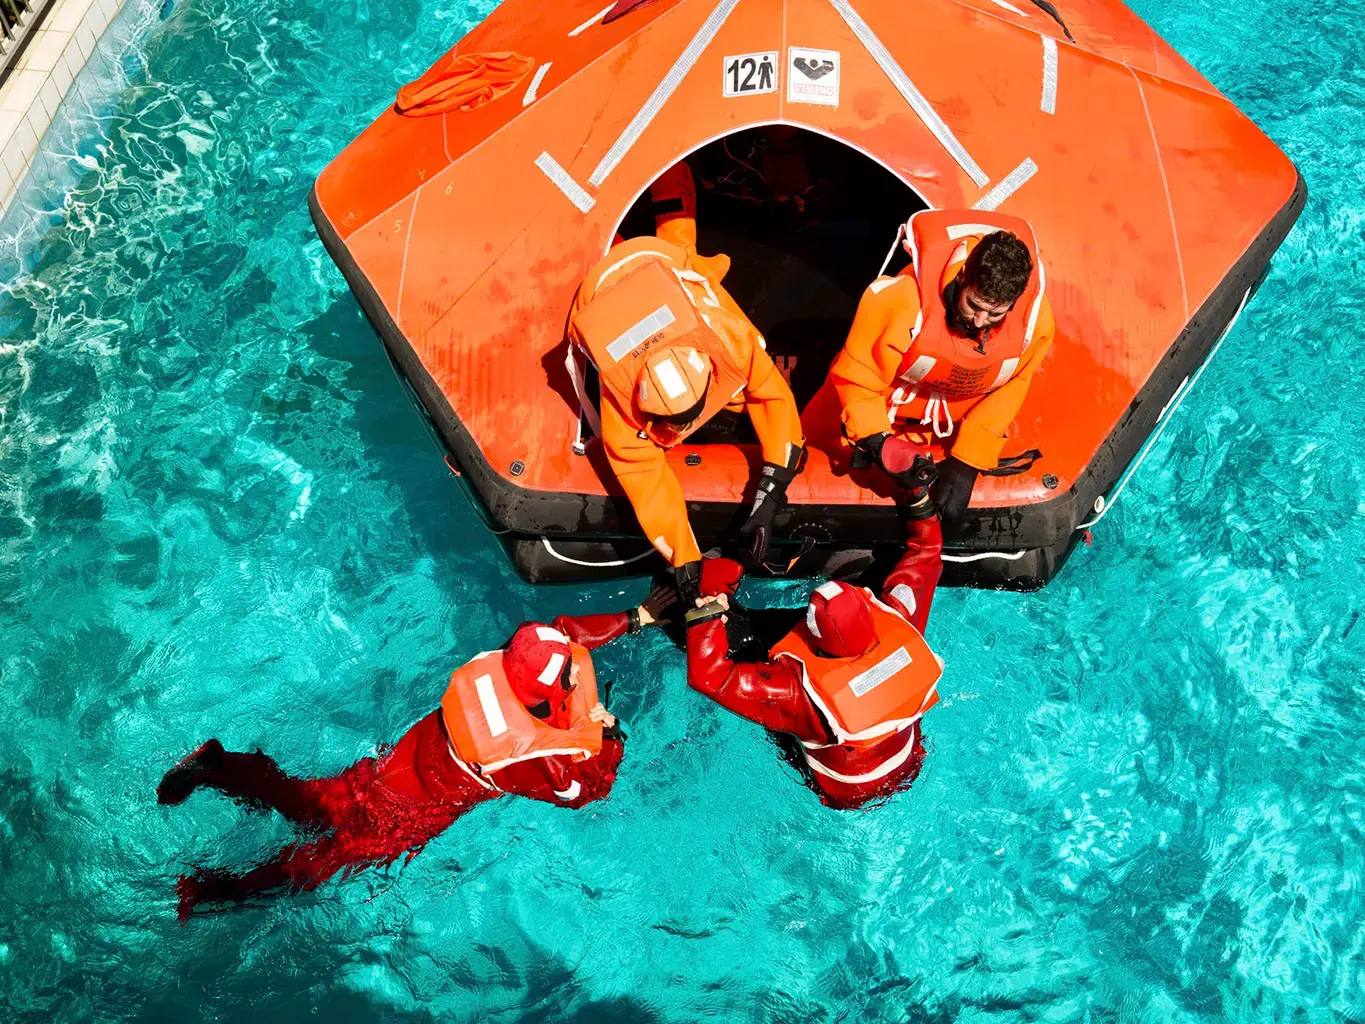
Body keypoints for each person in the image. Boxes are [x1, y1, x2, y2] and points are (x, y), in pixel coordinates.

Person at [157, 587, 674, 921]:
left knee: (308, 800)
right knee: (314, 865)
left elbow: (564, 631)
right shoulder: (527, 757)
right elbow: (586, 792)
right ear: (544, 693)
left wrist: (639, 615)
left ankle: (220, 767)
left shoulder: (499, 664)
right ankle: (212, 892)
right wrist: (612, 738)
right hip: (403, 818)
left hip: (383, 772)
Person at [568, 212, 806, 603]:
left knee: (753, 375)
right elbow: (645, 479)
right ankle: (613, 235)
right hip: (602, 288)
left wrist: (772, 490)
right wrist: (685, 557)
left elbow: (774, 397)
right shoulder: (621, 406)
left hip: (663, 260)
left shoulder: (732, 341)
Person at [684, 455, 943, 808]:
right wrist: (918, 496)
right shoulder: (901, 618)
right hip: (910, 765)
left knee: (742, 642)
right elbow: (926, 552)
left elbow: (709, 676)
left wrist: (710, 602)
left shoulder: (797, 694)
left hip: (836, 789)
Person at [807, 208, 1056, 521]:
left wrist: (968, 459)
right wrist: (876, 441)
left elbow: (1015, 384)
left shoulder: (1036, 324)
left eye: (995, 314)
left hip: (944, 432)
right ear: (963, 276)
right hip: (862, 421)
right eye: (974, 305)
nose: (980, 321)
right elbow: (858, 376)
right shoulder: (899, 299)